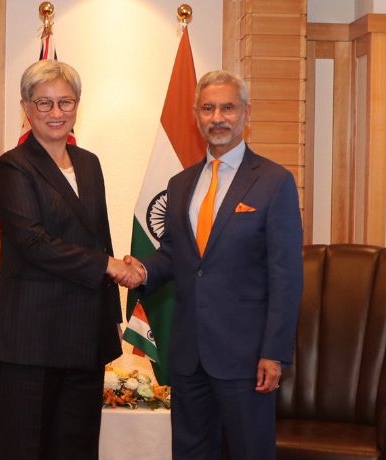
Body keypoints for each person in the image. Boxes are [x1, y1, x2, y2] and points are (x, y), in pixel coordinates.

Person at [125, 70, 303, 459]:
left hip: (247, 357)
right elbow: (175, 255)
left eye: (227, 108)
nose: (217, 117)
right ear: (196, 115)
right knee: (190, 452)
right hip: (189, 354)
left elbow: (286, 277)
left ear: (246, 114)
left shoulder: (275, 182)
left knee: (249, 452)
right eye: (208, 108)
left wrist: (274, 352)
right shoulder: (181, 184)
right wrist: (140, 271)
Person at [0, 59, 141, 460]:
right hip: (31, 337)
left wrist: (121, 266)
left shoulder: (89, 163)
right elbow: (33, 243)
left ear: (77, 105)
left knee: (78, 447)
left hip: (85, 333)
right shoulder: (14, 166)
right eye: (44, 103)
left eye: (65, 102)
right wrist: (108, 265)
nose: (57, 113)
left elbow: (96, 236)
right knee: (26, 448)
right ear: (26, 107)